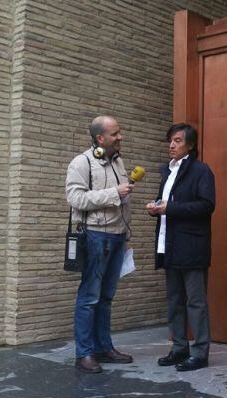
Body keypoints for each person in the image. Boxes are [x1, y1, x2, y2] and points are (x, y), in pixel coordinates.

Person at [65, 115, 135, 373]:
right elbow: (75, 198)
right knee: (89, 297)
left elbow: (123, 203)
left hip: (117, 236)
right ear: (100, 138)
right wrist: (114, 193)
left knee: (106, 297)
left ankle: (104, 348)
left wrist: (127, 235)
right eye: (115, 133)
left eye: (120, 132)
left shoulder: (118, 161)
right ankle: (83, 354)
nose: (120, 137)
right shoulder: (81, 163)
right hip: (95, 236)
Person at [147, 123, 215, 372]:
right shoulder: (167, 171)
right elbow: (169, 203)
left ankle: (200, 352)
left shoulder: (201, 171)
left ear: (191, 145)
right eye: (170, 141)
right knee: (174, 300)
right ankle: (178, 348)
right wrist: (156, 207)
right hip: (169, 243)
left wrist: (170, 208)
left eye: (177, 141)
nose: (172, 145)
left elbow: (206, 205)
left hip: (192, 246)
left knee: (195, 302)